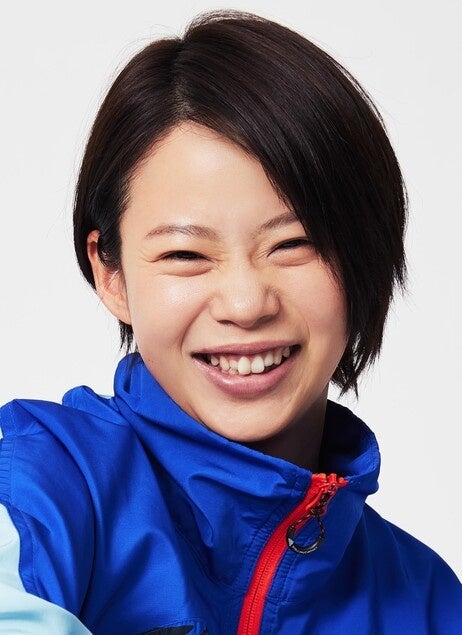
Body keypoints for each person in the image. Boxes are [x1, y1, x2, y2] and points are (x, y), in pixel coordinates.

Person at [0, 9, 460, 634]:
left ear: (365, 255)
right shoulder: (41, 487)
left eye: (294, 244)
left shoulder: (430, 605)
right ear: (111, 274)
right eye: (186, 255)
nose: (245, 304)